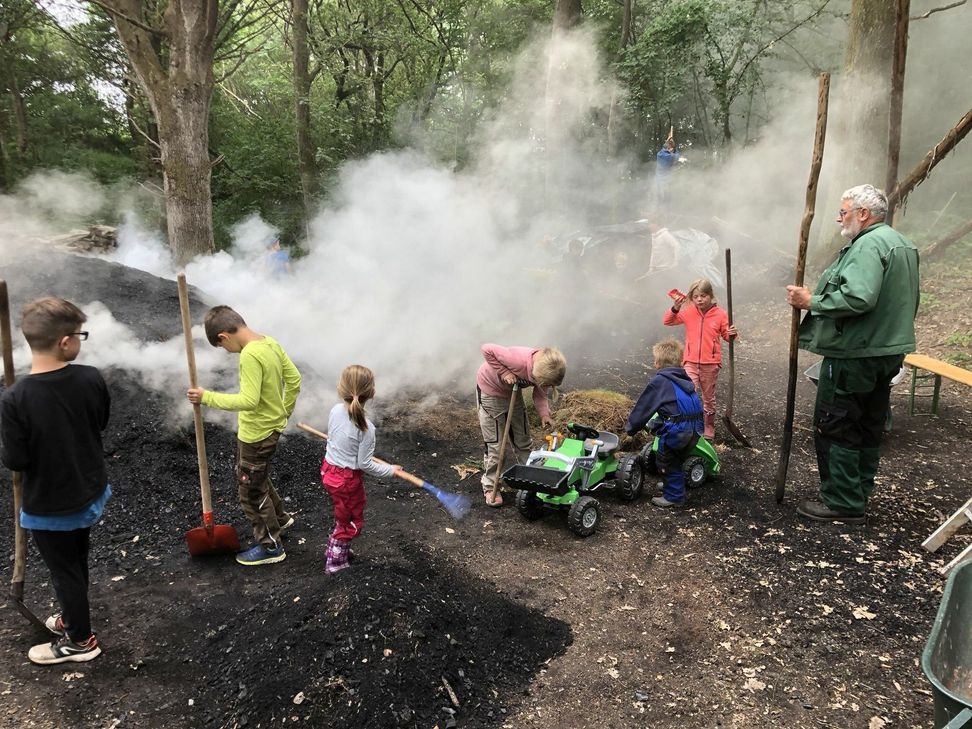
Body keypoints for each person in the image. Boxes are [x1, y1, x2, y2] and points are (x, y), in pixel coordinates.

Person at [786, 184, 919, 524]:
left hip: (855, 353)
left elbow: (859, 298)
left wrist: (810, 302)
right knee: (869, 423)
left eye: (843, 212)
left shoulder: (868, 245)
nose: (838, 218)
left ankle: (842, 502)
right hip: (886, 351)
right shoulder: (900, 244)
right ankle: (857, 492)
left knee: (839, 424)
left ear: (863, 213)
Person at [0, 298, 110, 664]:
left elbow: (16, 460)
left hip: (51, 504)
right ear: (65, 342)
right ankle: (72, 614)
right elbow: (101, 422)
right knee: (76, 561)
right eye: (81, 335)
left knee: (64, 571)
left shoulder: (15, 398)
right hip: (89, 490)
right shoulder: (91, 377)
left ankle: (80, 640)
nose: (82, 341)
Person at [187, 305, 301, 565]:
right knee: (258, 478)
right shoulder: (269, 343)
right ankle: (281, 520)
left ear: (224, 337)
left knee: (249, 491)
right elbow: (294, 379)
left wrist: (207, 398)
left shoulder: (249, 354)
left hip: (256, 434)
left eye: (222, 347)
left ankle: (271, 547)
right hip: (270, 429)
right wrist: (284, 413)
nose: (227, 352)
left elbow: (249, 400)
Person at [319, 365, 400, 574]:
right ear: (372, 393)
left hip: (328, 471)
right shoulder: (366, 428)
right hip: (346, 480)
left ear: (341, 388)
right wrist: (390, 470)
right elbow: (365, 464)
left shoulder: (335, 410)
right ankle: (335, 562)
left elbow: (336, 438)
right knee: (350, 521)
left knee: (343, 513)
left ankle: (339, 548)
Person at [476, 344, 566, 507]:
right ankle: (491, 486)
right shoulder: (516, 360)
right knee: (496, 447)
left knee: (523, 441)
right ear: (537, 373)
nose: (544, 386)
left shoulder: (546, 368)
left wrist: (544, 414)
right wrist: (505, 372)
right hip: (491, 393)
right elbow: (487, 349)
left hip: (513, 393)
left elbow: (540, 394)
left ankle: (532, 479)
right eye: (544, 383)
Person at [623, 339, 703, 508]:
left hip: (679, 432)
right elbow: (675, 406)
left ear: (658, 363)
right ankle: (672, 484)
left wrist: (630, 428)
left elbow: (643, 408)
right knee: (677, 457)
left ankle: (674, 496)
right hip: (695, 428)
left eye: (655, 360)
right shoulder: (684, 377)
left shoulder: (659, 382)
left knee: (666, 460)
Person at [663, 278, 738, 440]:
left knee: (708, 397)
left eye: (703, 296)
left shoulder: (720, 314)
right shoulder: (689, 311)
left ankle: (708, 425)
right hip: (690, 361)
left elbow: (727, 336)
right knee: (687, 391)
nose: (699, 299)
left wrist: (732, 333)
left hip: (710, 364)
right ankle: (686, 423)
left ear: (710, 295)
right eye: (696, 296)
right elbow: (668, 321)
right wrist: (676, 307)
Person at [655, 137, 681, 211]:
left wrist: (672, 148)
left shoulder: (666, 154)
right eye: (670, 145)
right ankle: (660, 213)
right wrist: (672, 149)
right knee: (662, 199)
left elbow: (676, 156)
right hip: (661, 181)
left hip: (667, 181)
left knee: (667, 199)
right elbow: (673, 157)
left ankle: (665, 213)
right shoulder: (662, 155)